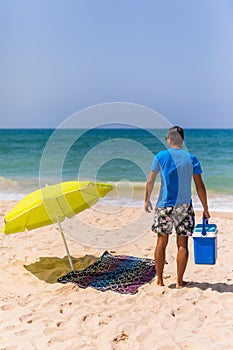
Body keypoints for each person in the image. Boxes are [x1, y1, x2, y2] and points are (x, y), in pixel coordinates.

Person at [144, 126, 210, 288]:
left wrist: (147, 200)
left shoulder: (161, 156)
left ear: (169, 139)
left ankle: (160, 280)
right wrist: (205, 208)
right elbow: (200, 185)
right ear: (182, 140)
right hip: (184, 206)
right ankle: (179, 282)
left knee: (161, 242)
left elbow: (150, 180)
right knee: (182, 244)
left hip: (164, 205)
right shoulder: (191, 158)